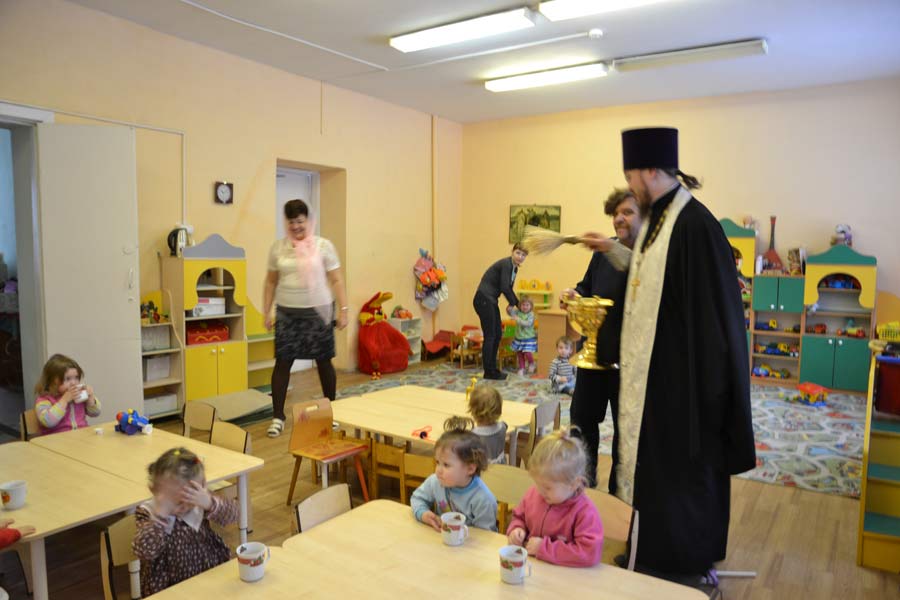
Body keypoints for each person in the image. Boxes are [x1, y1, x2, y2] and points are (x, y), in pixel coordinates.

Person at [584, 127, 755, 582]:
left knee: (680, 481)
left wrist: (705, 399)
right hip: (653, 382)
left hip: (684, 390)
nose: (629, 185)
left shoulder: (695, 226)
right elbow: (650, 278)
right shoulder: (660, 220)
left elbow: (715, 322)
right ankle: (649, 555)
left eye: (630, 176)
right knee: (652, 476)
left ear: (648, 171)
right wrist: (610, 250)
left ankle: (680, 569)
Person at [561, 188, 643, 492]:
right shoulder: (602, 254)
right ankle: (582, 487)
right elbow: (587, 287)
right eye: (615, 213)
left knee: (626, 434)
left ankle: (619, 497)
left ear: (645, 216)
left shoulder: (649, 257)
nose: (619, 218)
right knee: (581, 424)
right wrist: (574, 295)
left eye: (628, 212)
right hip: (593, 357)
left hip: (629, 364)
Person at [263, 199, 349, 437]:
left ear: (308, 221)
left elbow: (336, 280)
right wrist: (266, 310)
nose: (296, 227)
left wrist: (344, 310)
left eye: (300, 221)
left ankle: (330, 412)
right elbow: (270, 282)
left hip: (318, 313)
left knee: (324, 362)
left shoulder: (324, 246)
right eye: (291, 222)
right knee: (282, 363)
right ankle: (277, 417)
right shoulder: (278, 248)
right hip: (287, 313)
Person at [133, 447, 238, 597]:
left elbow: (233, 515)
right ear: (154, 490)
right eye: (174, 501)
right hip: (167, 588)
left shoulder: (200, 502)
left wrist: (209, 502)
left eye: (188, 499)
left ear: (202, 487)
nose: (182, 507)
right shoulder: (149, 512)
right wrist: (160, 516)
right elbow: (144, 551)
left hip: (209, 576)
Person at [506, 429, 603, 567]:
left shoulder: (585, 512)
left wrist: (544, 548)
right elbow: (519, 517)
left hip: (564, 575)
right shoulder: (534, 494)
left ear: (574, 484)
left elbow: (590, 553)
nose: (540, 491)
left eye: (547, 488)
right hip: (532, 568)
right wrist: (517, 529)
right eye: (538, 484)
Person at [411, 417, 498, 532]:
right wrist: (423, 514)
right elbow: (417, 498)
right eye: (437, 462)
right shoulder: (436, 481)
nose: (438, 470)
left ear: (470, 468)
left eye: (446, 465)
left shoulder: (483, 500)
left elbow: (486, 536)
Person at [473, 244, 528, 380]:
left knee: (497, 334)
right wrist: (517, 304)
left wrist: (512, 304)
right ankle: (489, 371)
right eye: (518, 253)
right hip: (484, 299)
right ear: (512, 252)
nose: (520, 257)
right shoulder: (506, 264)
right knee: (491, 335)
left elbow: (507, 287)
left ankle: (492, 369)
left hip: (490, 300)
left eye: (523, 255)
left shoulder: (514, 268)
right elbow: (504, 287)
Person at [34, 354, 101, 434]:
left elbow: (95, 413)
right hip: (55, 439)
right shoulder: (44, 400)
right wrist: (64, 400)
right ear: (52, 381)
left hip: (81, 436)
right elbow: (48, 422)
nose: (73, 383)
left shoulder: (79, 395)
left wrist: (90, 398)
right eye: (68, 379)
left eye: (76, 377)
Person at [467, 384, 508, 464]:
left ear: (473, 411)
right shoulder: (503, 426)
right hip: (502, 465)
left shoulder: (472, 435)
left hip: (484, 468)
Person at [510, 296, 537, 376]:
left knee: (527, 352)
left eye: (527, 305)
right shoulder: (518, 312)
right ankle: (522, 367)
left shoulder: (531, 314)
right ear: (520, 306)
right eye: (523, 305)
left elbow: (527, 324)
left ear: (531, 306)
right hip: (519, 337)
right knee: (520, 353)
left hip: (529, 338)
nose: (525, 307)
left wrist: (517, 319)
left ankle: (531, 363)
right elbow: (510, 312)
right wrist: (510, 305)